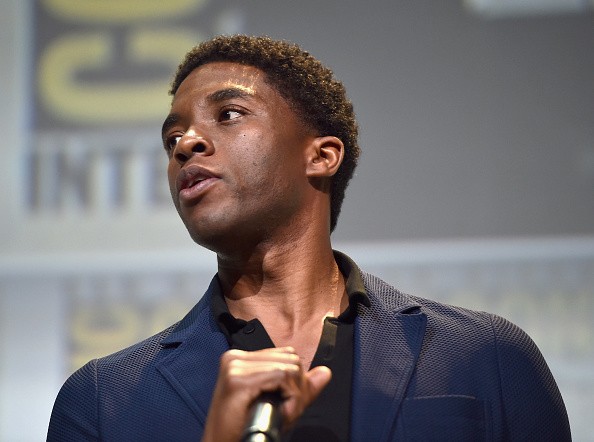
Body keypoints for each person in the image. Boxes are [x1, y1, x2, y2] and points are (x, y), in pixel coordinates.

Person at [47, 35, 571, 441]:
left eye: (228, 114)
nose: (186, 143)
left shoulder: (487, 356)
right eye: (171, 138)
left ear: (321, 155)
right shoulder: (103, 400)